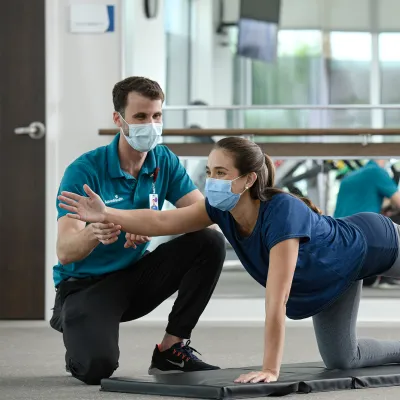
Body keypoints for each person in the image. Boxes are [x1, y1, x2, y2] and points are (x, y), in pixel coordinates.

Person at [58, 136, 400, 385]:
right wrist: (107, 213)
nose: (212, 181)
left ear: (248, 178)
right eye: (209, 171)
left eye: (221, 172)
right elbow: (162, 221)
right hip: (335, 276)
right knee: (343, 359)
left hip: (376, 242)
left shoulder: (282, 213)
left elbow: (276, 301)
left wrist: (270, 369)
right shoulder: (219, 209)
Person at [50, 76, 226, 385]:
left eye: (157, 115)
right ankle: (76, 328)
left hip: (135, 277)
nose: (151, 124)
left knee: (209, 242)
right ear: (118, 119)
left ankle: (172, 349)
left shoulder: (164, 160)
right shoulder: (85, 170)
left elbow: (203, 214)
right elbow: (65, 252)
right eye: (141, 117)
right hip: (85, 286)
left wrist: (141, 223)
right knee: (96, 369)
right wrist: (94, 233)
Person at [334, 159, 400, 289]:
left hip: (339, 234)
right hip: (366, 234)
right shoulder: (377, 172)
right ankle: (387, 275)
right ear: (383, 158)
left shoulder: (350, 176)